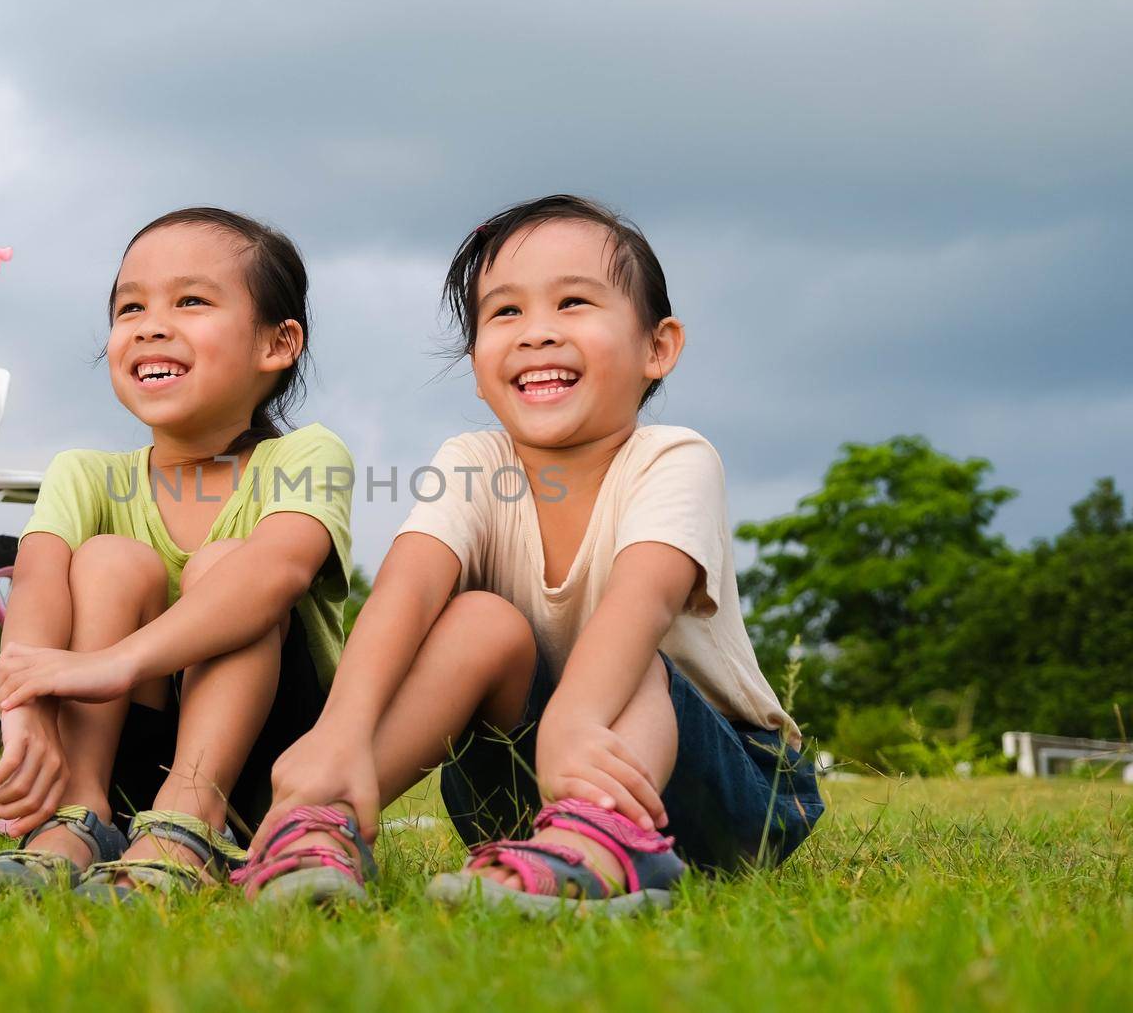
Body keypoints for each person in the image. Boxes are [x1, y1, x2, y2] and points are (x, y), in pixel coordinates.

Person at [234, 195, 823, 915]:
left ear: (657, 347)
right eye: (505, 313)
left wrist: (576, 721)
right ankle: (321, 814)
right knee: (476, 618)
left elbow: (643, 601)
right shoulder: (472, 461)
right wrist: (341, 732)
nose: (537, 333)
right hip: (521, 793)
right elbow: (407, 590)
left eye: (573, 302)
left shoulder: (673, 458)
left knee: (622, 651)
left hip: (727, 793)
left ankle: (604, 840)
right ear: (477, 365)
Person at [0, 207, 353, 901]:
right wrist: (23, 704)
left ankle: (191, 822)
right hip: (118, 757)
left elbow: (278, 572)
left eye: (192, 300)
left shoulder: (306, 455)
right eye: (130, 306)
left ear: (277, 342)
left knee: (226, 567)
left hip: (268, 759)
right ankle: (77, 817)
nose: (150, 323)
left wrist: (114, 662)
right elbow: (38, 587)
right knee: (111, 559)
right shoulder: (85, 472)